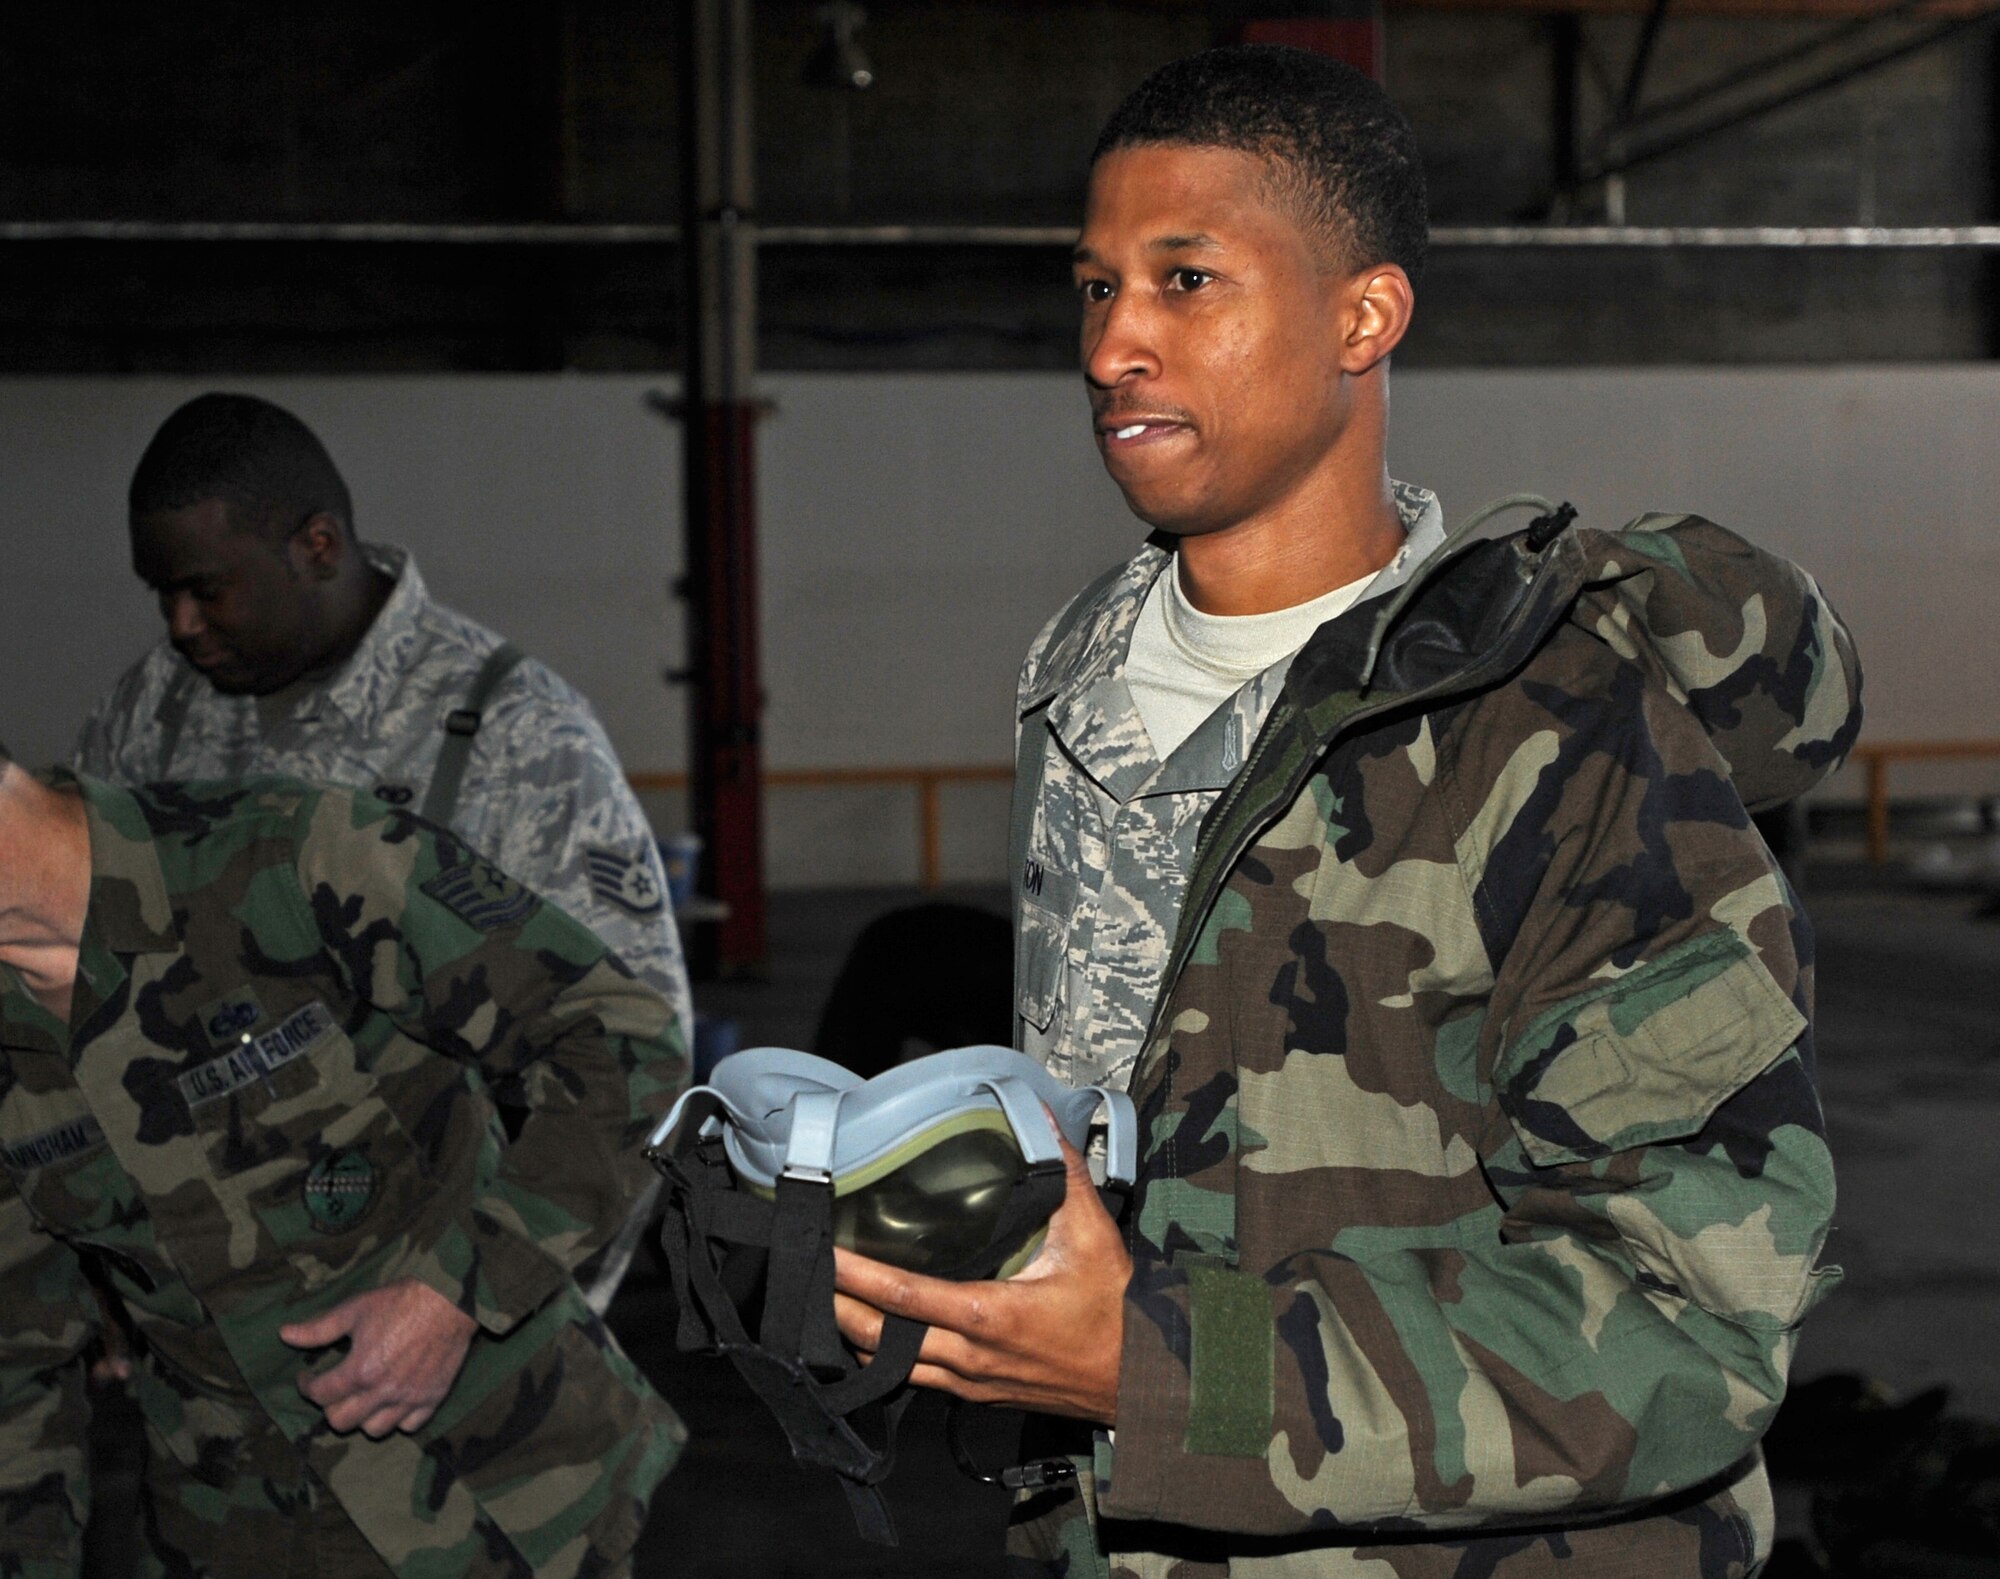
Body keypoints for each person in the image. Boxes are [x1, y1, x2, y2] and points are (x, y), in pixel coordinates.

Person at [832, 45, 1864, 1576]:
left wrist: (1159, 1368)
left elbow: (1686, 1328)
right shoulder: (1085, 674)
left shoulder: (1557, 722)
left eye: (1187, 281)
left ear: (1363, 317)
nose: (1114, 340)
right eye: (1095, 285)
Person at [0, 744, 687, 1578]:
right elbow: (14, 1364)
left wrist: (458, 1289)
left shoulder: (289, 854)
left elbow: (622, 1040)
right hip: (229, 1531)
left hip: (505, 1492)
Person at [72, 392, 690, 1313]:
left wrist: (488, 1308)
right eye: (162, 594)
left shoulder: (510, 733)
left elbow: (639, 1056)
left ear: (317, 546)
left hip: (431, 1323)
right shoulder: (154, 712)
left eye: (206, 589)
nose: (181, 626)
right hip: (213, 1326)